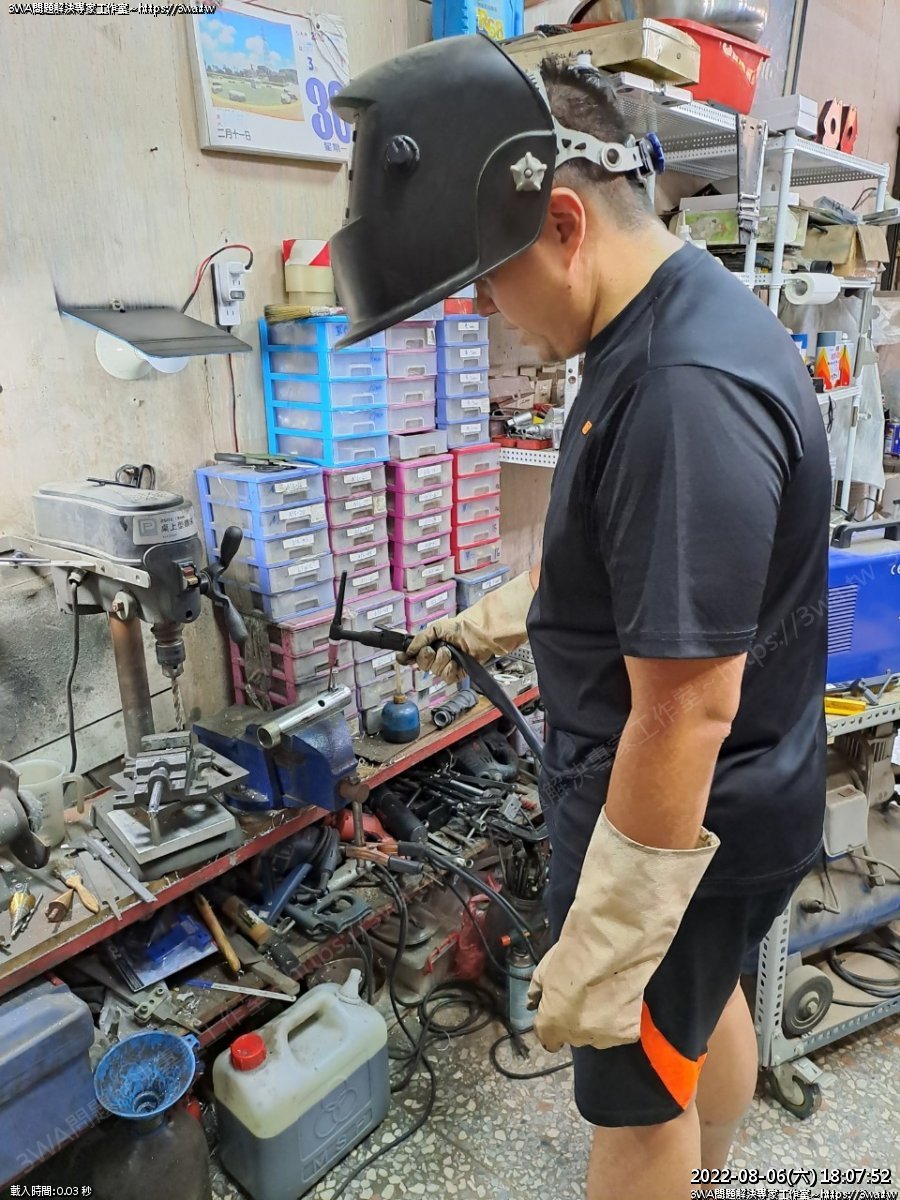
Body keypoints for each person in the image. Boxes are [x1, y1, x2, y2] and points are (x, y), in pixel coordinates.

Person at [329, 34, 829, 1200]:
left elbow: (689, 708)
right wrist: (497, 620)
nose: (491, 311)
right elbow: (637, 568)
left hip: (678, 825)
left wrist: (609, 937)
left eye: (490, 279)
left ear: (563, 222)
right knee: (697, 1014)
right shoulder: (661, 320)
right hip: (744, 803)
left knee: (635, 1104)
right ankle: (716, 1177)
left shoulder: (678, 391)